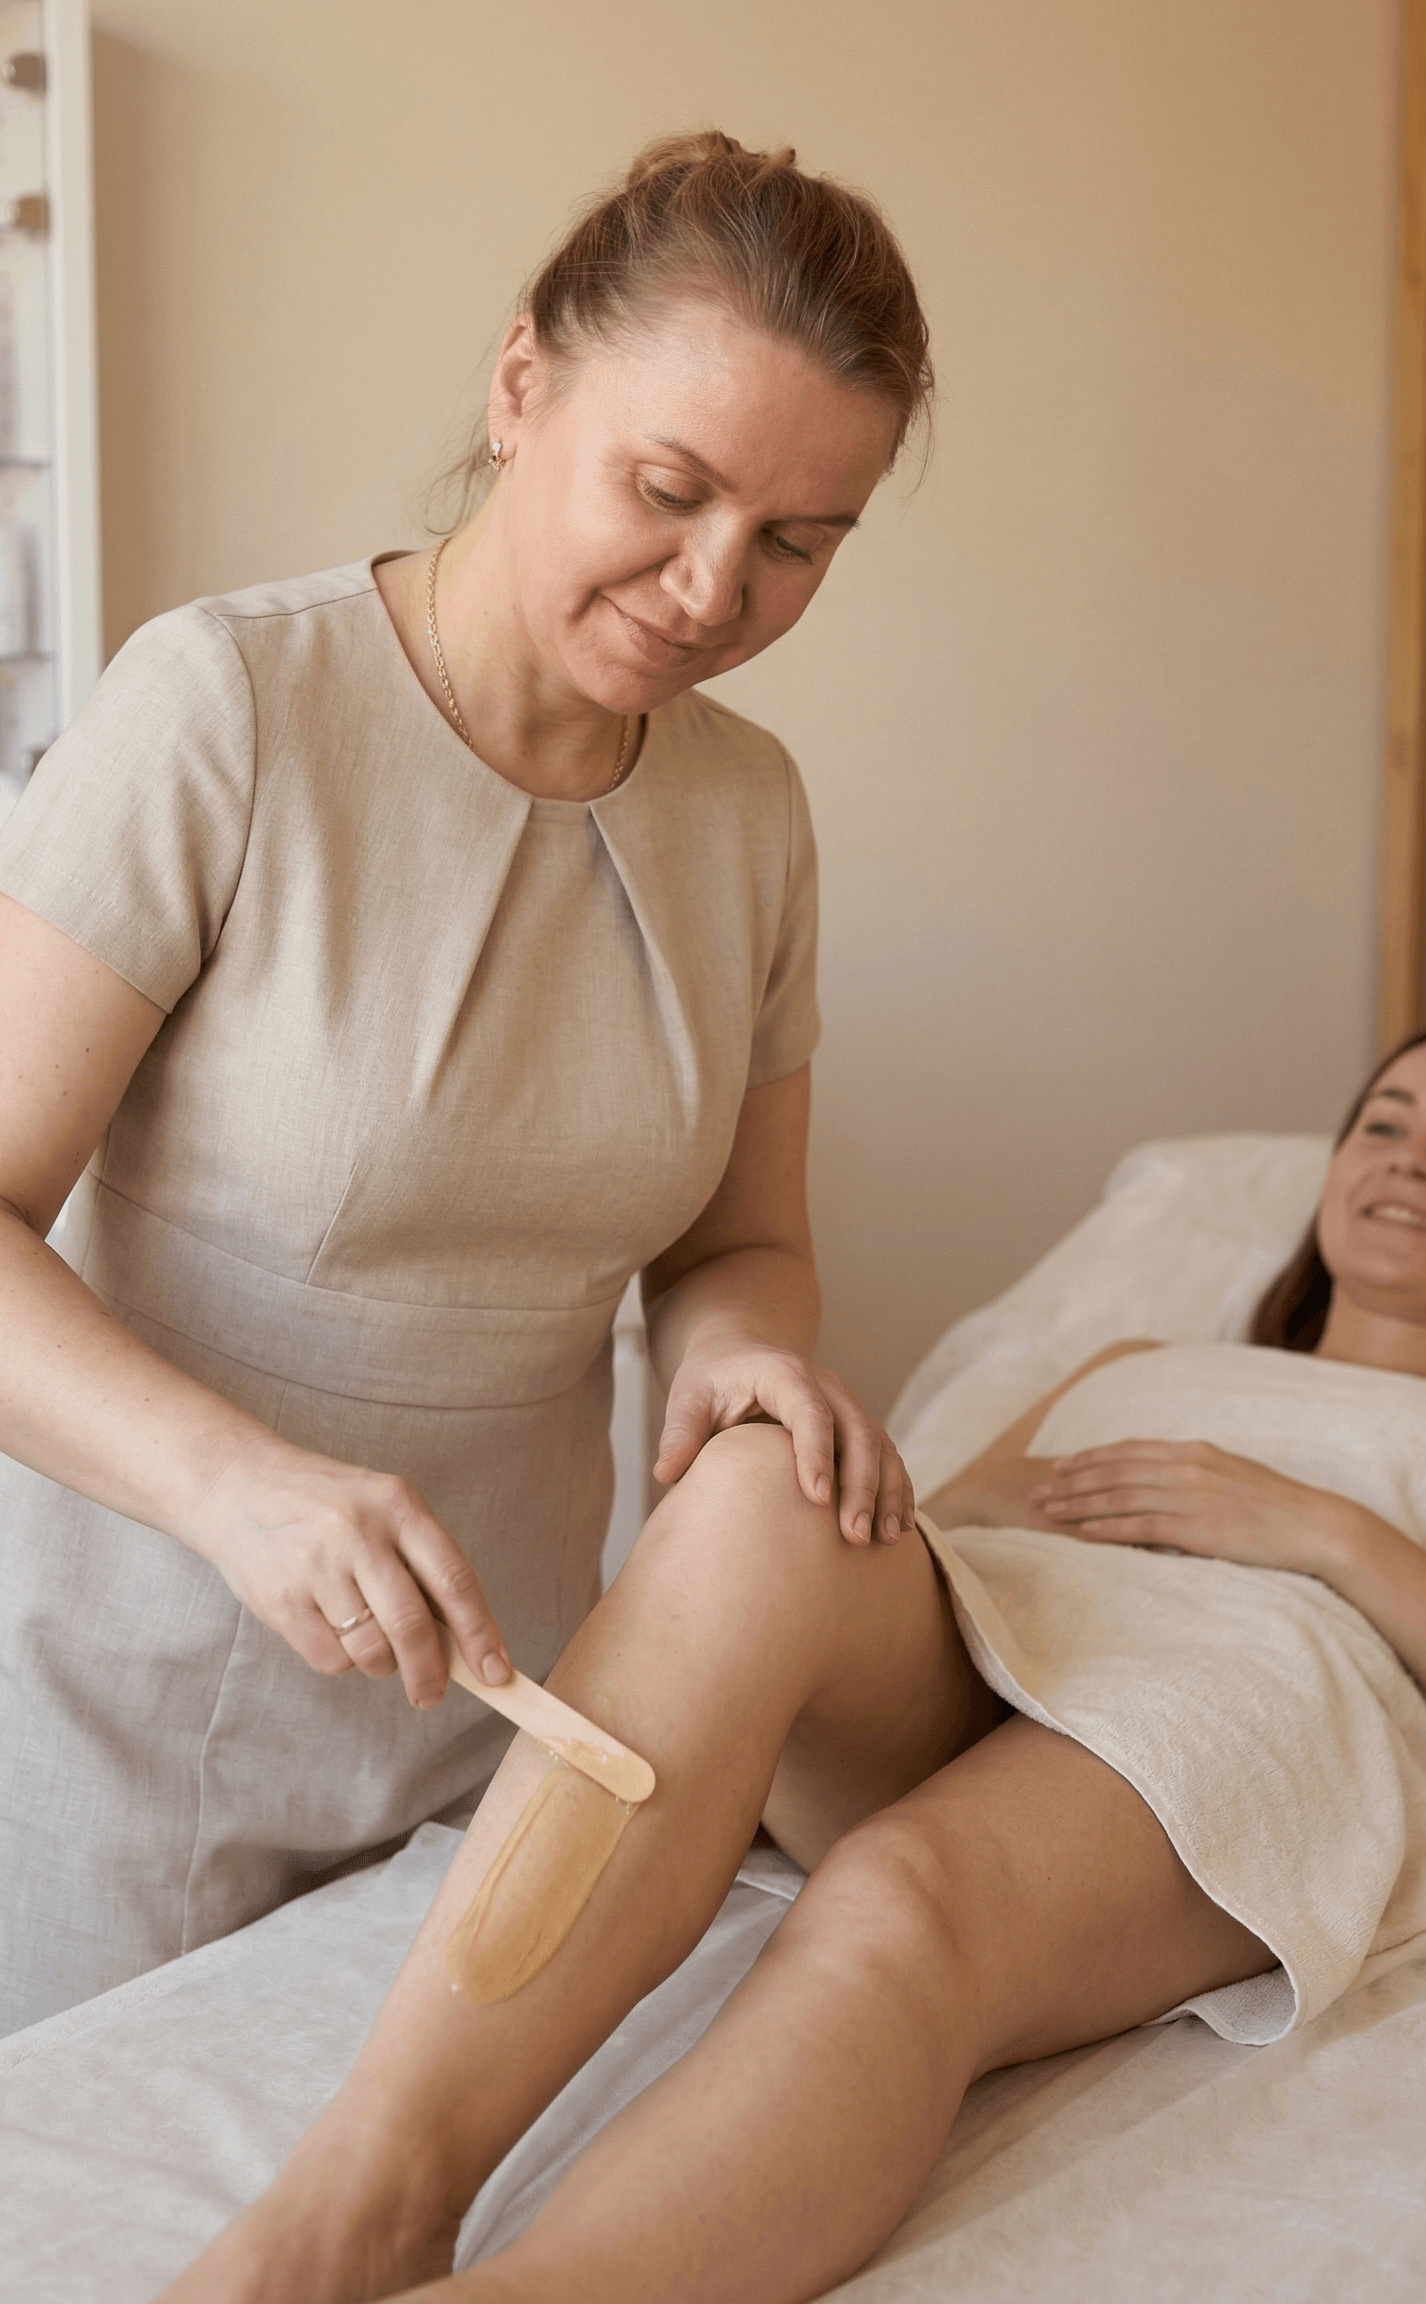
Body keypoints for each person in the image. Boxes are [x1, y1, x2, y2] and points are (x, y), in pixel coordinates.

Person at [159, 1013, 1426, 2304]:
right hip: (1016, 1618)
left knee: (902, 1885)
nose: (1414, 1157)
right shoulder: (1138, 1353)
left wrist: (1323, 1532)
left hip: (1253, 1689)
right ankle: (362, 2194)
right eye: (1386, 1121)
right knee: (762, 1483)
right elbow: (960, 1514)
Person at [0, 131, 932, 2034]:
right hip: (105, 1701)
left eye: (795, 544)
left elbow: (743, 1243)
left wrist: (736, 1356)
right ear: (523, 386)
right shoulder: (228, 709)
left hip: (485, 1707)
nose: (708, 588)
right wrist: (241, 1492)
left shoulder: (746, 810)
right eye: (668, 490)